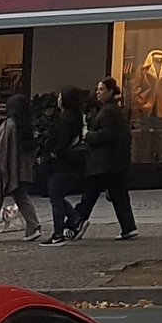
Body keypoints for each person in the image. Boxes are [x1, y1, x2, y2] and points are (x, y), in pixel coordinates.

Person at [0, 93, 46, 242]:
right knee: (21, 197)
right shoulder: (25, 126)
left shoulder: (9, 125)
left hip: (5, 170)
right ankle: (34, 226)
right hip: (20, 170)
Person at [76, 77, 136, 241]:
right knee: (118, 195)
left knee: (91, 194)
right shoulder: (113, 110)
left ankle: (75, 224)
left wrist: (88, 135)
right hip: (113, 162)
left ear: (110, 92)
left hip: (105, 162)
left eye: (101, 89)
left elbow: (108, 135)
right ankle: (128, 227)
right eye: (98, 89)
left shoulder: (109, 111)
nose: (98, 92)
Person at [42, 85, 89, 243]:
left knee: (56, 198)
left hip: (62, 164)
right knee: (58, 197)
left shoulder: (65, 119)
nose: (58, 99)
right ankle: (77, 220)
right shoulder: (76, 116)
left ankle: (58, 234)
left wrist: (53, 153)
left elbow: (62, 141)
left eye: (60, 96)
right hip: (70, 163)